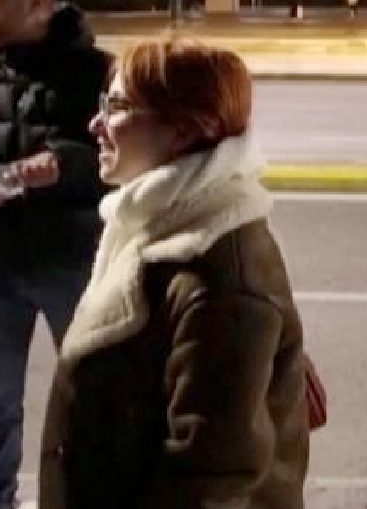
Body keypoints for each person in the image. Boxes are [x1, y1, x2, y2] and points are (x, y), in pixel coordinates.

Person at [40, 39, 309, 508]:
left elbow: (212, 475)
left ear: (184, 130)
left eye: (118, 107)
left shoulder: (217, 277)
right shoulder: (154, 227)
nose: (95, 124)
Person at [0, 0, 111, 509]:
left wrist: (63, 165)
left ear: (39, 4)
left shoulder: (97, 74)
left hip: (75, 263)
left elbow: (125, 161)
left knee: (90, 394)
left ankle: (88, 495)